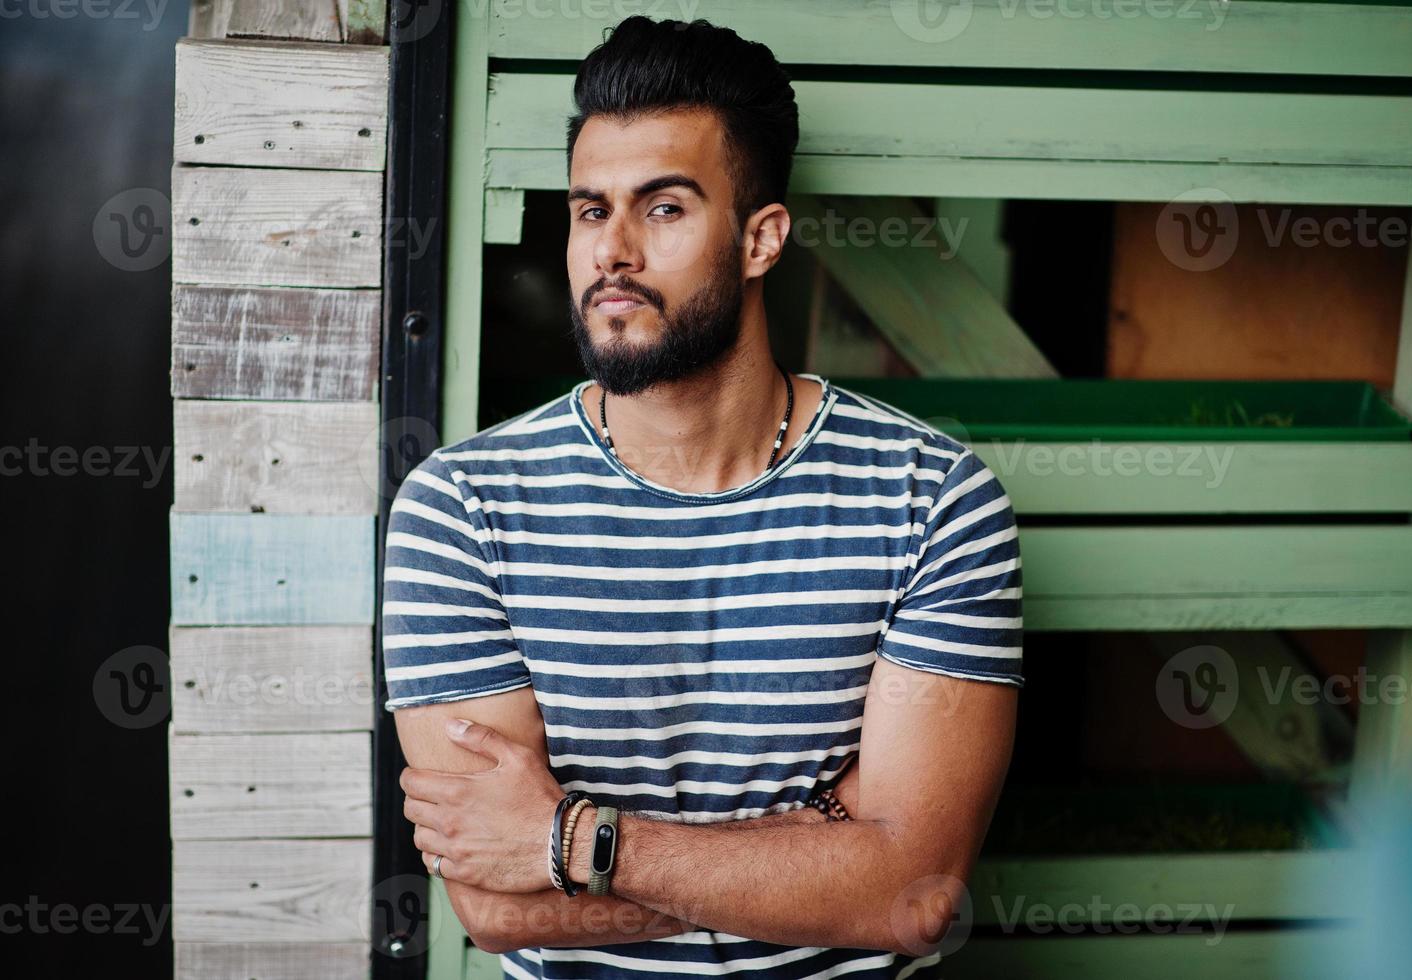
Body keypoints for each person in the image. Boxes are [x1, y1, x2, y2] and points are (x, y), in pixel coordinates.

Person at [383, 16, 1023, 978]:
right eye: (590, 211)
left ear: (761, 238)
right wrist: (823, 849)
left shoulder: (930, 497)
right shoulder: (463, 509)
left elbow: (912, 896)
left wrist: (571, 845)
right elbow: (493, 906)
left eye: (665, 209)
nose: (613, 252)